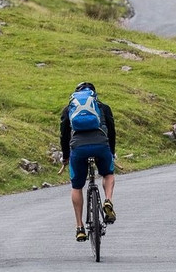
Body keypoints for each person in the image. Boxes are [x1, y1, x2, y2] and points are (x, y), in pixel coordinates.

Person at [60, 82, 117, 242]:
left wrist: (65, 156)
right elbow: (111, 132)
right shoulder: (103, 107)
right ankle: (108, 200)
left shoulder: (69, 109)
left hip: (78, 148)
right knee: (108, 174)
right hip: (101, 145)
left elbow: (64, 135)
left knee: (77, 186)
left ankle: (79, 227)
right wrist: (111, 153)